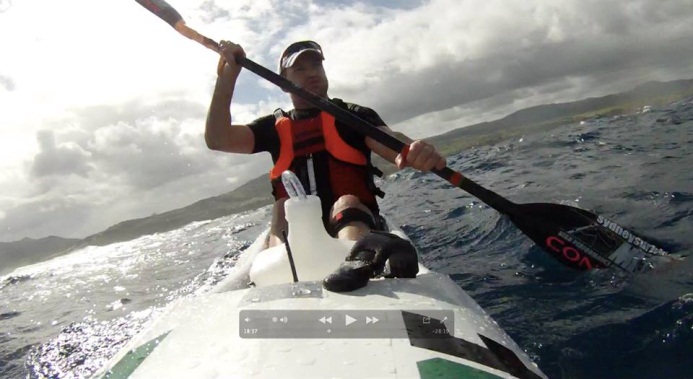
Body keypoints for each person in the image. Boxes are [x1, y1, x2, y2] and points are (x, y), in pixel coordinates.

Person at [206, 40, 446, 251]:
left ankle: (356, 261)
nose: (312, 73)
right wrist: (228, 78)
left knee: (347, 202)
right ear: (283, 83)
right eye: (299, 69)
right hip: (297, 235)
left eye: (317, 66)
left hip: (355, 224)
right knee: (282, 208)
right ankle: (285, 268)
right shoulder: (273, 128)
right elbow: (218, 139)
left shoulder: (353, 116)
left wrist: (414, 150)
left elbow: (392, 143)